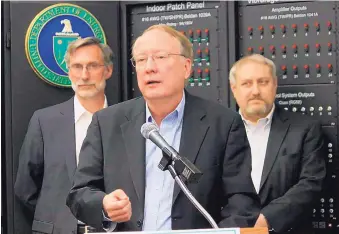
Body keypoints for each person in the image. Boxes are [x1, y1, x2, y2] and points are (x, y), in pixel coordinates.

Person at [66, 24, 260, 232]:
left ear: (186, 67)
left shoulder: (223, 124)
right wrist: (103, 206)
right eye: (141, 60)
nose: (149, 67)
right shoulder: (106, 123)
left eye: (160, 57)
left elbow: (242, 202)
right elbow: (80, 193)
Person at [14, 37, 114, 234]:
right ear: (69, 72)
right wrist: (56, 218)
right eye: (77, 66)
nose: (84, 75)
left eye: (92, 66)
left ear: (108, 70)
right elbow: (25, 188)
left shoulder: (125, 120)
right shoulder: (44, 121)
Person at [229, 54, 326, 234]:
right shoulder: (220, 130)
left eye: (263, 82)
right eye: (247, 83)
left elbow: (311, 183)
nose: (255, 91)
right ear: (234, 89)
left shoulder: (304, 129)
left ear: (274, 84)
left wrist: (268, 219)